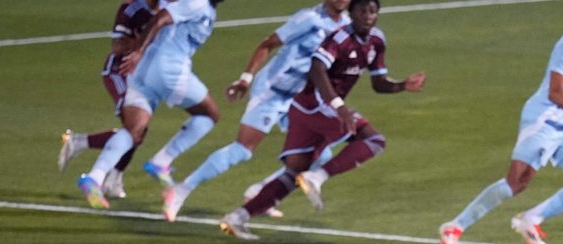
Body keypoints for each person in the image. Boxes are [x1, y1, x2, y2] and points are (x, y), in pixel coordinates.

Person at [218, 0, 425, 241]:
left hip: (304, 109)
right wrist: (340, 107)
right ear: (352, 13)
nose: (367, 16)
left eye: (372, 11)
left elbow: (378, 83)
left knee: (293, 172)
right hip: (317, 105)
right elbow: (316, 70)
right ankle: (317, 177)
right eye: (362, 11)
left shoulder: (376, 41)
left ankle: (237, 218)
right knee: (374, 140)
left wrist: (402, 85)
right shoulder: (338, 38)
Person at [438, 0, 563, 244]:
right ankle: (454, 227)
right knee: (516, 182)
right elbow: (556, 93)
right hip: (543, 119)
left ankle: (530, 219)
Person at [161, 0, 350, 223]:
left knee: (321, 153)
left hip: (300, 97)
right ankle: (180, 190)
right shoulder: (309, 19)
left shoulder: (347, 25)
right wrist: (245, 79)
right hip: (273, 91)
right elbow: (267, 44)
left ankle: (261, 193)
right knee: (243, 149)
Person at [77, 0, 224, 209]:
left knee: (134, 131)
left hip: (143, 71)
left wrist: (139, 54)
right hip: (168, 70)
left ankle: (94, 177)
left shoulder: (199, 6)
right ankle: (162, 161)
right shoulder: (197, 2)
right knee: (210, 114)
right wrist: (137, 50)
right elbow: (160, 17)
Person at [57, 0, 166, 200]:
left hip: (143, 77)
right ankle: (85, 153)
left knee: (138, 132)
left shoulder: (170, 8)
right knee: (135, 129)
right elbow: (117, 45)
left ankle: (111, 177)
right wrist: (145, 45)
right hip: (119, 72)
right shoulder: (131, 8)